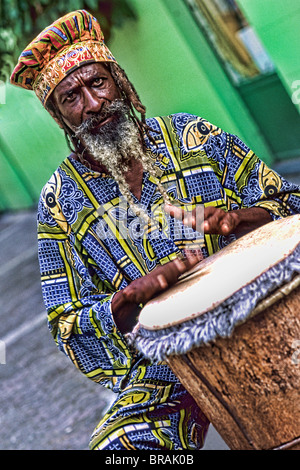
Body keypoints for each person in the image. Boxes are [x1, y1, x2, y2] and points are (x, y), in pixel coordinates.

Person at [10, 10, 300, 450]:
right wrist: (126, 301)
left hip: (263, 315)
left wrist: (241, 218)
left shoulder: (194, 136)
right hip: (168, 367)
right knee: (120, 450)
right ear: (60, 118)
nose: (91, 104)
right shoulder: (60, 203)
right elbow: (67, 323)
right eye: (71, 97)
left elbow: (289, 203)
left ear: (120, 81)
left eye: (97, 83)